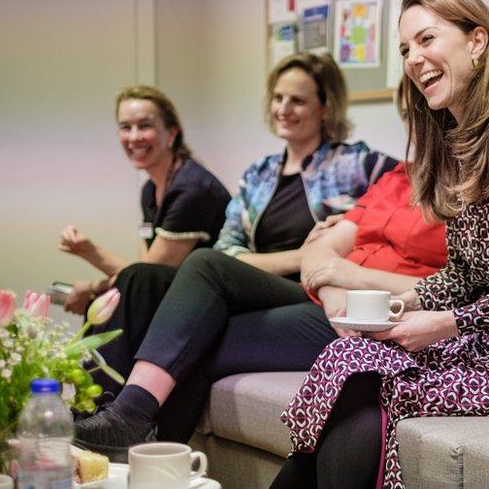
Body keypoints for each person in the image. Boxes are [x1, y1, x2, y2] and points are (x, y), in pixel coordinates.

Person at [273, 0, 489, 489]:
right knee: (349, 354)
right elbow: (466, 274)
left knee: (368, 380)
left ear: (477, 41)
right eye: (405, 49)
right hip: (482, 338)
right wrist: (405, 303)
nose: (414, 59)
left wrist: (449, 321)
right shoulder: (458, 147)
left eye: (427, 39)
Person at [73, 53, 407, 455]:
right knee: (143, 277)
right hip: (254, 287)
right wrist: (297, 257)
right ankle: (97, 413)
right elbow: (228, 248)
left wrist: (320, 264)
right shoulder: (259, 174)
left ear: (325, 107)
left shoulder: (360, 164)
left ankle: (145, 436)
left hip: (315, 293)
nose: (284, 108)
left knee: (203, 268)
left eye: (297, 100)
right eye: (278, 98)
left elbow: (402, 207)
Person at [57, 86, 230, 315]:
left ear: (171, 133)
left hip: (215, 303)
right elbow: (145, 271)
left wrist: (93, 284)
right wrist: (86, 251)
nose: (134, 137)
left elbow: (149, 277)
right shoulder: (150, 190)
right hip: (179, 298)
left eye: (145, 126)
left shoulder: (192, 189)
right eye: (125, 127)